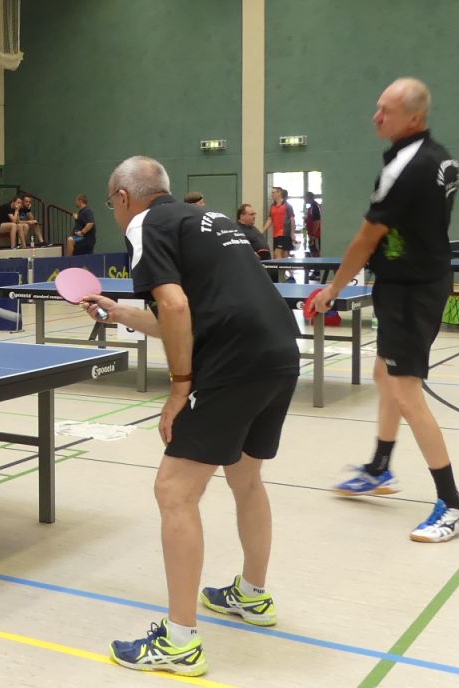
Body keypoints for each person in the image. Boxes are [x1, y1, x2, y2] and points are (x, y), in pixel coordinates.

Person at [85, 156, 298, 677]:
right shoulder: (210, 218)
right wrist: (119, 311)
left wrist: (180, 388)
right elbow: (185, 314)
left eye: (113, 204)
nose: (116, 212)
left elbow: (177, 308)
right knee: (246, 478)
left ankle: (179, 642)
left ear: (123, 197)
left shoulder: (144, 224)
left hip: (233, 363)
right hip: (278, 352)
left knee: (174, 491)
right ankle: (252, 595)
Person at [311, 77, 459, 543]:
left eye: (386, 111)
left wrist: (332, 290)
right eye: (378, 107)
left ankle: (453, 503)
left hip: (411, 290)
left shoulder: (407, 167)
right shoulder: (442, 157)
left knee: (405, 393)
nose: (376, 117)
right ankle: (380, 467)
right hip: (415, 280)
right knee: (385, 375)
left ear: (414, 117)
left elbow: (367, 238)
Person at [262, 187, 294, 259]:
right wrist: (262, 231)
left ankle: (279, 267)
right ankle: (285, 266)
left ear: (279, 193)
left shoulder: (287, 206)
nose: (272, 194)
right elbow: (270, 219)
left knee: (277, 253)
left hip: (284, 233)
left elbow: (292, 219)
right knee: (284, 254)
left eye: (273, 192)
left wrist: (292, 233)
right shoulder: (272, 206)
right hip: (276, 234)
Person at [303, 192, 322, 257]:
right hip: (313, 234)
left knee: (316, 252)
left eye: (305, 198)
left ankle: (318, 263)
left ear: (308, 198)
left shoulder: (315, 206)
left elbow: (317, 221)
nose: (304, 199)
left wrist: (313, 235)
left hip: (316, 235)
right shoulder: (312, 207)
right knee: (313, 251)